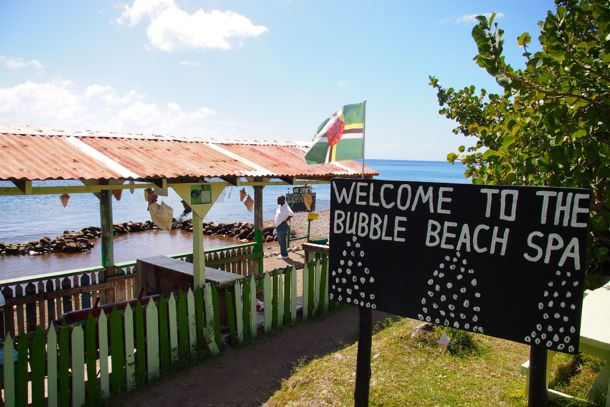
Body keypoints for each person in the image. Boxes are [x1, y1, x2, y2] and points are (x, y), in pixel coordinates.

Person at [274, 195, 294, 259]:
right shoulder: (280, 206)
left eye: (278, 199)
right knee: (280, 240)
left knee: (282, 241)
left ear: (283, 200)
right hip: (278, 226)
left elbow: (292, 214)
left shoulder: (286, 207)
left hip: (282, 226)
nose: (277, 201)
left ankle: (284, 255)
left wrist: (286, 220)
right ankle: (283, 253)